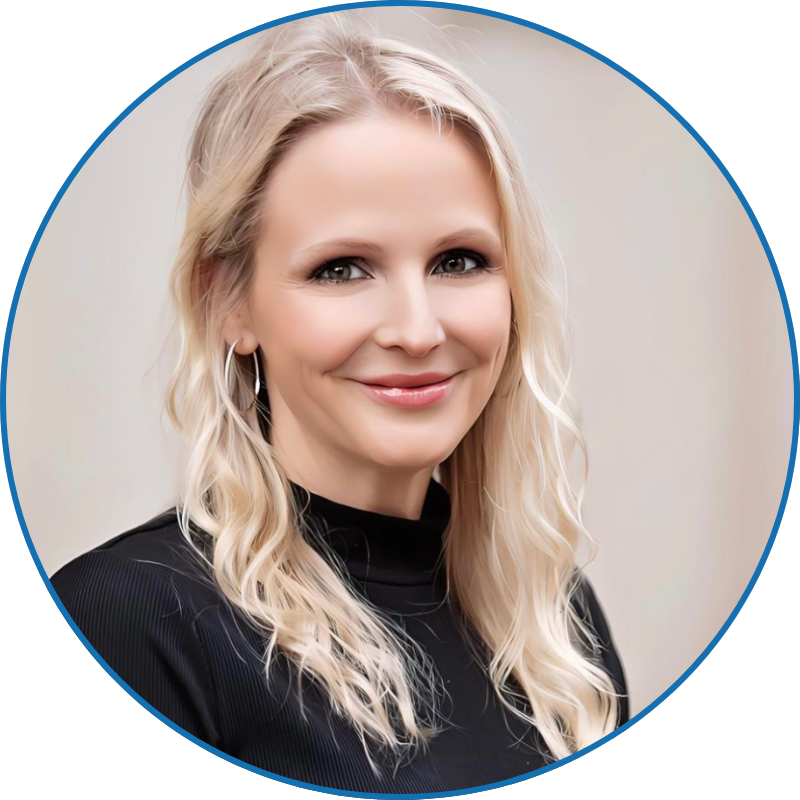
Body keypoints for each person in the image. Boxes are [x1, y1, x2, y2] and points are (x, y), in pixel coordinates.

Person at [50, 14, 629, 793]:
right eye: (342, 269)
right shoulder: (128, 624)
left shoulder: (556, 625)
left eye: (459, 260)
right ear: (228, 301)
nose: (417, 331)